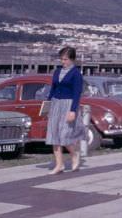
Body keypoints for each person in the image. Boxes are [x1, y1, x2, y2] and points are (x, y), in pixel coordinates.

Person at [46, 46, 86, 174]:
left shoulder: (76, 74)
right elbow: (52, 89)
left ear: (72, 59)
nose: (63, 62)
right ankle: (59, 164)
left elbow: (76, 93)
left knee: (65, 135)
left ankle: (74, 155)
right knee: (54, 135)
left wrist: (73, 111)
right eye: (61, 59)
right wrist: (47, 104)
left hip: (68, 105)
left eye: (66, 59)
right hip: (55, 104)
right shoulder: (57, 72)